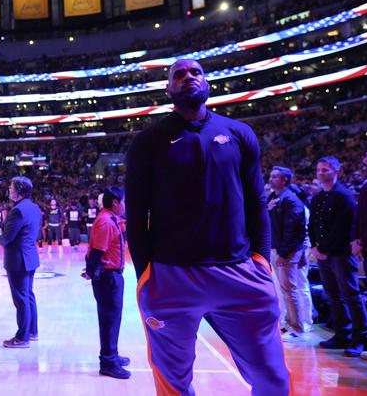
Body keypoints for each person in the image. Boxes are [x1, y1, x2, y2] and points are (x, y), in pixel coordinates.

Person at [125, 59, 289, 395]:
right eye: (179, 75)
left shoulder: (239, 133)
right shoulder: (147, 142)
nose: (188, 77)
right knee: (173, 383)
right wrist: (146, 276)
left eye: (195, 72)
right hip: (172, 277)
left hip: (239, 272)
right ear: (168, 89)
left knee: (273, 378)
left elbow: (257, 202)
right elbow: (137, 216)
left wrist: (261, 263)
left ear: (207, 82)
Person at [309, 156, 367, 357]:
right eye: (319, 169)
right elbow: (313, 227)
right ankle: (342, 334)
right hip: (323, 255)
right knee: (333, 296)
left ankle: (360, 338)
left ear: (336, 171)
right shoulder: (317, 198)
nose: (321, 173)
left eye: (325, 169)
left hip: (340, 254)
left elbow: (343, 229)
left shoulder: (344, 196)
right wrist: (315, 248)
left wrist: (322, 248)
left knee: (351, 296)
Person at [84, 187, 131, 379]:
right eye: (124, 201)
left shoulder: (111, 219)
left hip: (111, 275)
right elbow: (97, 251)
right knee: (109, 320)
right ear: (115, 203)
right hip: (108, 277)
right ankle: (108, 362)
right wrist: (93, 273)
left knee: (112, 319)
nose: (125, 205)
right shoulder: (105, 221)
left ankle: (112, 354)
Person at [267, 166, 309, 341]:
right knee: (284, 290)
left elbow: (293, 230)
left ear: (285, 180)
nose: (271, 179)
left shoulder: (291, 200)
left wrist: (284, 253)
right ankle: (288, 322)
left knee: (290, 290)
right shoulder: (273, 198)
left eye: (276, 176)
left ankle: (297, 327)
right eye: (271, 176)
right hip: (277, 248)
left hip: (287, 251)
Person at [1, 176, 41, 348]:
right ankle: (32, 331)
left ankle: (22, 338)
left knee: (21, 299)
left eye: (11, 187)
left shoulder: (17, 211)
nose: (9, 190)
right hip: (30, 257)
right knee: (29, 296)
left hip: (18, 260)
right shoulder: (34, 208)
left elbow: (7, 238)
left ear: (19, 191)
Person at [351, 151, 367, 361]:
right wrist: (356, 240)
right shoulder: (365, 186)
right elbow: (360, 217)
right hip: (364, 245)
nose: (364, 159)